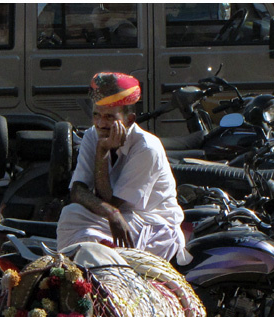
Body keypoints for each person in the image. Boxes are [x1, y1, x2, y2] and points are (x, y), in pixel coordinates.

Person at [57, 72, 189, 264]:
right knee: (70, 213)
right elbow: (77, 190)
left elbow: (111, 200)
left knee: (90, 240)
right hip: (117, 216)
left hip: (150, 222)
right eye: (96, 115)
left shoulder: (146, 147)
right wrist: (111, 213)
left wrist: (101, 153)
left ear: (129, 119)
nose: (101, 124)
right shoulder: (92, 136)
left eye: (110, 117)